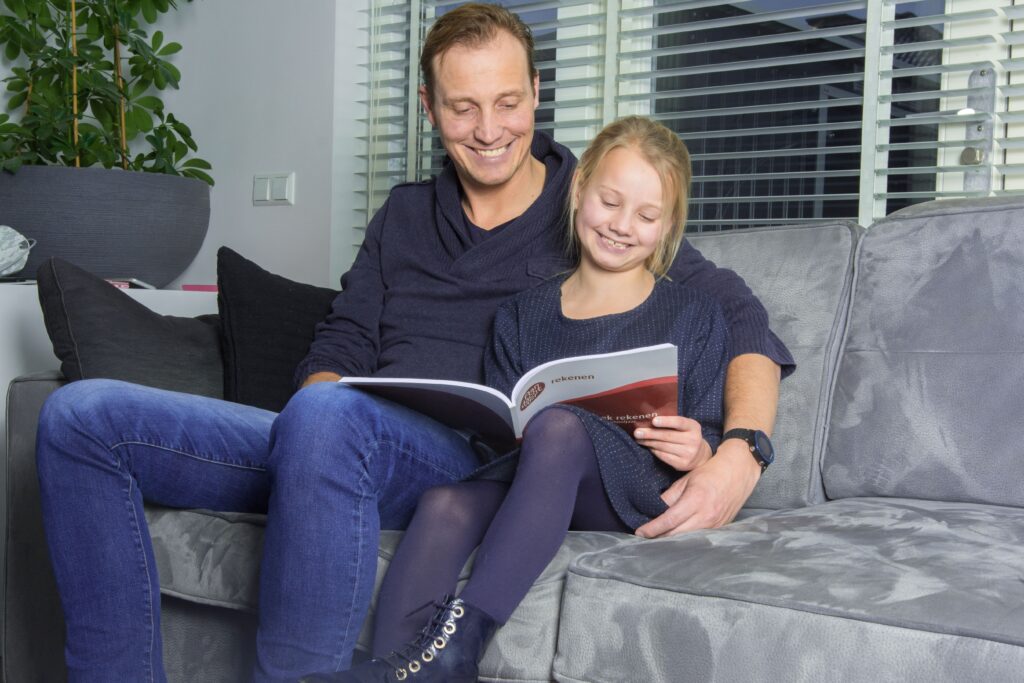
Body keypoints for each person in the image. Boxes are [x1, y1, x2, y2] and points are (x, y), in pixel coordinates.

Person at [34, 4, 793, 682]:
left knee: (330, 421)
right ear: (429, 107)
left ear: (535, 93)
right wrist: (311, 414)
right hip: (336, 435)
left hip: (471, 458)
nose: (489, 130)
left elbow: (744, 321)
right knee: (81, 418)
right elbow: (344, 338)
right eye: (463, 107)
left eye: (506, 102)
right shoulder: (401, 216)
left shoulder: (592, 211)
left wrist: (740, 453)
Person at [341, 116, 729, 683]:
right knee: (444, 501)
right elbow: (505, 427)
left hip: (632, 493)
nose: (622, 226)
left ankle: (460, 648)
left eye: (646, 216)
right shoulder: (523, 313)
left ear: (668, 225)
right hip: (537, 481)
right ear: (578, 193)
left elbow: (714, 433)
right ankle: (388, 672)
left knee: (561, 428)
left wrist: (701, 452)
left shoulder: (693, 316)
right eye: (610, 202)